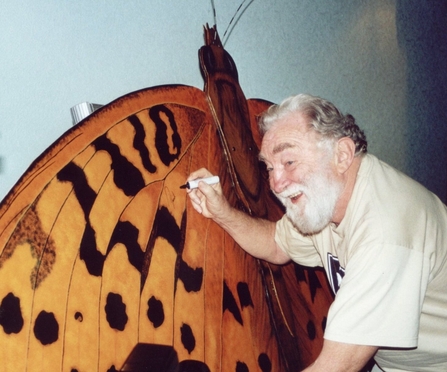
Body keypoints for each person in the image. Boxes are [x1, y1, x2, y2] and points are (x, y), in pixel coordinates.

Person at [186, 94, 447, 372]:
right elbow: (276, 244)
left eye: (289, 162)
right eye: (270, 167)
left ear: (342, 155)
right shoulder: (326, 199)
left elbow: (338, 366)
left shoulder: (386, 230)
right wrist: (221, 211)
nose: (276, 183)